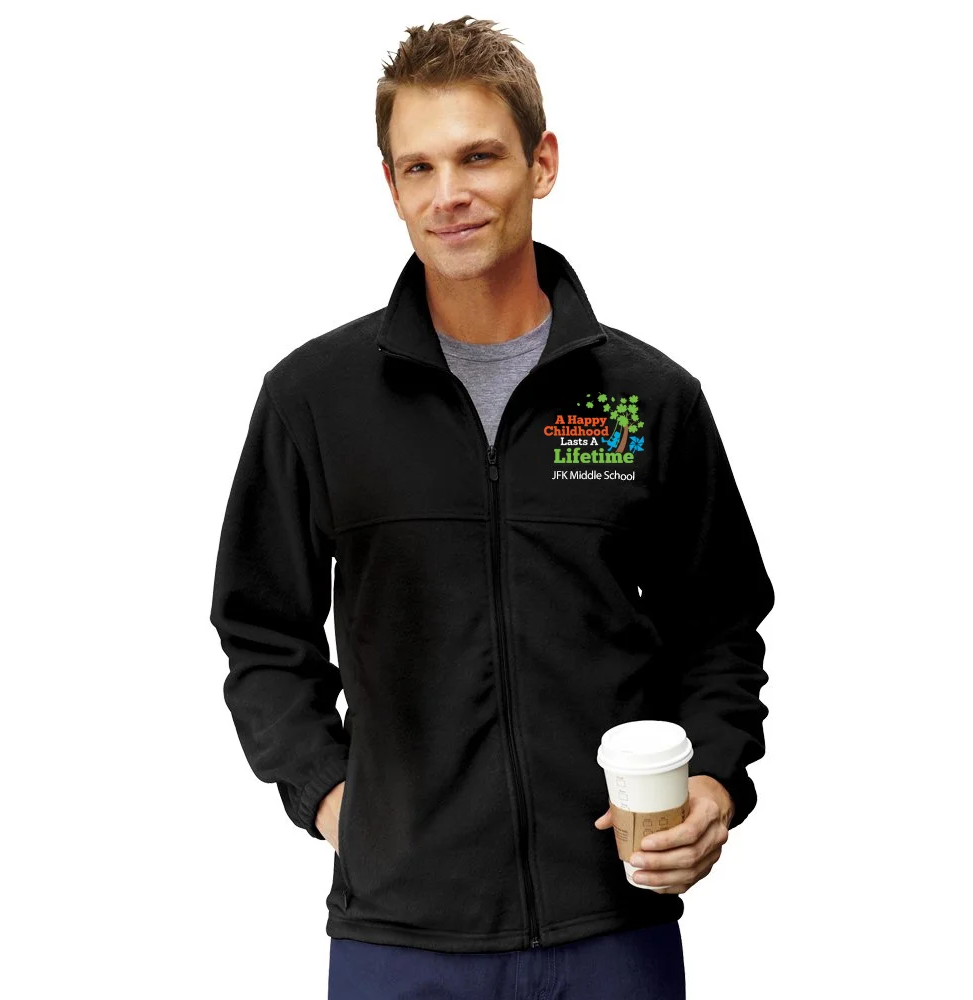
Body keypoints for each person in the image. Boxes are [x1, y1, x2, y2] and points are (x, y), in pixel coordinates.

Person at [209, 15, 775, 1000]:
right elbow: (262, 629)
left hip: (611, 919)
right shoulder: (314, 399)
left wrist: (714, 779)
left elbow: (720, 627)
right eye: (418, 167)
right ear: (391, 187)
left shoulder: (647, 400)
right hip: (399, 933)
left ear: (541, 162)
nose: (449, 194)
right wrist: (333, 797)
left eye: (478, 156)